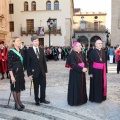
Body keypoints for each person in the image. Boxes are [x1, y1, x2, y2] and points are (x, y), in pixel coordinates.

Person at [27, 36, 50, 106]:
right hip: (34, 73)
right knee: (36, 87)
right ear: (32, 42)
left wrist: (46, 71)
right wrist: (29, 74)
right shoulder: (29, 51)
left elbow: (44, 61)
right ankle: (37, 100)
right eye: (34, 41)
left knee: (43, 86)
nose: (36, 42)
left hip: (42, 72)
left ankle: (42, 99)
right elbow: (27, 64)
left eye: (37, 41)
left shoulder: (41, 49)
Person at [65, 42, 88, 106]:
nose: (81, 47)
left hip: (82, 74)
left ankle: (82, 100)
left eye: (81, 45)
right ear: (75, 47)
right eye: (79, 46)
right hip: (75, 74)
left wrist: (86, 67)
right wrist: (81, 69)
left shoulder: (82, 54)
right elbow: (73, 64)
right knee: (76, 87)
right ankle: (75, 101)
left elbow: (85, 62)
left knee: (82, 86)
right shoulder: (72, 55)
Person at [8, 37, 25, 111]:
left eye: (19, 40)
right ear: (13, 42)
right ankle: (16, 103)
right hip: (14, 72)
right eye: (18, 41)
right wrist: (11, 76)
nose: (19, 42)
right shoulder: (11, 51)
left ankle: (19, 101)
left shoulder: (21, 50)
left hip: (20, 71)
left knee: (19, 87)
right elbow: (9, 65)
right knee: (15, 88)